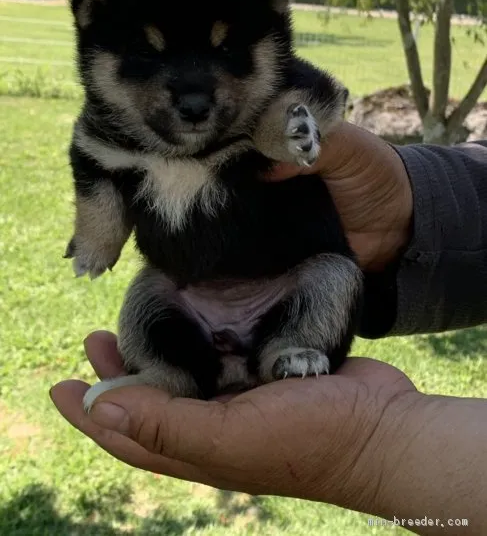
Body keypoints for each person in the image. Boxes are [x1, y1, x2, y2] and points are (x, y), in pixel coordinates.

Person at [50, 122, 487, 535]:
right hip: (187, 288)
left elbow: (321, 97)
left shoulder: (274, 101)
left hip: (287, 280)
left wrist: (369, 449)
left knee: (334, 272)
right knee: (150, 283)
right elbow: (95, 154)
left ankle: (286, 351)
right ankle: (166, 373)